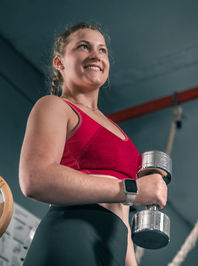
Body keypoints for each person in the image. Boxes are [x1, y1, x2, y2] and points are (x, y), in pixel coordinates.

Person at [19, 22, 168, 266]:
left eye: (102, 50)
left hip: (114, 248)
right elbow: (35, 178)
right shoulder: (54, 106)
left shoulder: (121, 133)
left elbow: (121, 211)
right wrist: (131, 189)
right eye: (83, 46)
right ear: (59, 63)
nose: (96, 55)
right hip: (72, 237)